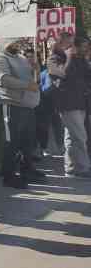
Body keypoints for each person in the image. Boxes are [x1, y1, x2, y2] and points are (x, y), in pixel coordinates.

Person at [0, 38, 43, 189]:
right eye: (14, 42)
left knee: (28, 140)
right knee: (10, 142)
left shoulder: (20, 57)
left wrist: (35, 69)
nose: (18, 45)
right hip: (10, 104)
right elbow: (3, 79)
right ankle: (9, 175)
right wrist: (26, 85)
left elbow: (32, 78)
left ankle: (28, 170)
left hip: (27, 104)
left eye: (18, 42)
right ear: (5, 41)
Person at [51, 39, 91, 178]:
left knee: (72, 137)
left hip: (81, 103)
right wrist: (68, 57)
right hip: (68, 103)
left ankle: (71, 167)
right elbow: (61, 74)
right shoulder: (57, 58)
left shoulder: (81, 60)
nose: (85, 49)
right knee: (80, 136)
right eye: (83, 46)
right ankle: (83, 167)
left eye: (87, 47)